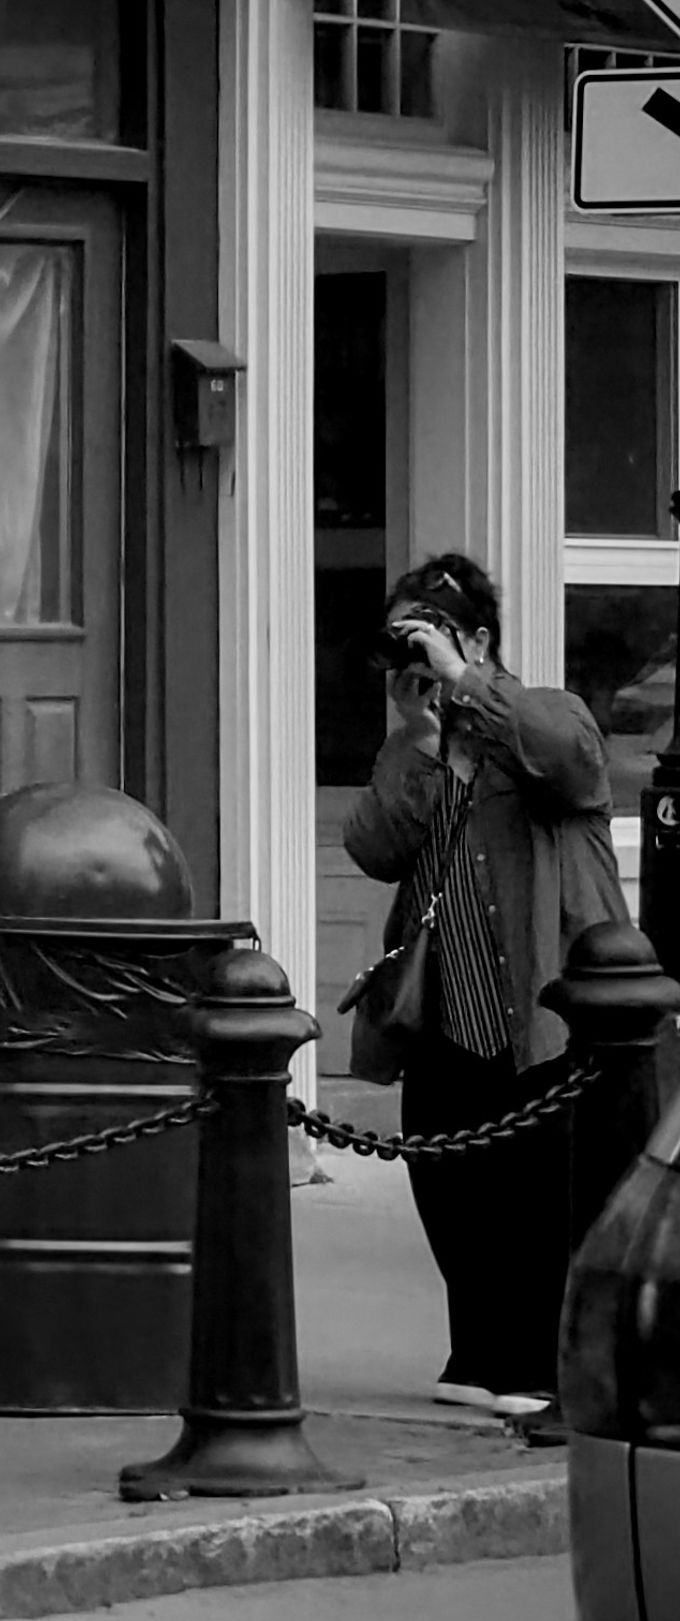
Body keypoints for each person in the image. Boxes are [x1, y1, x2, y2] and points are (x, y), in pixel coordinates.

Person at [343, 553, 628, 1421]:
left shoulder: (544, 718)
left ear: (475, 638)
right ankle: (482, 1347)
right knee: (451, 1179)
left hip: (540, 1012)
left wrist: (466, 685)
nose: (415, 665)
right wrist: (418, 740)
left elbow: (570, 759)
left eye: (425, 638)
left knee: (538, 1195)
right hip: (445, 1012)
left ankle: (542, 1362)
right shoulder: (427, 746)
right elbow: (373, 847)